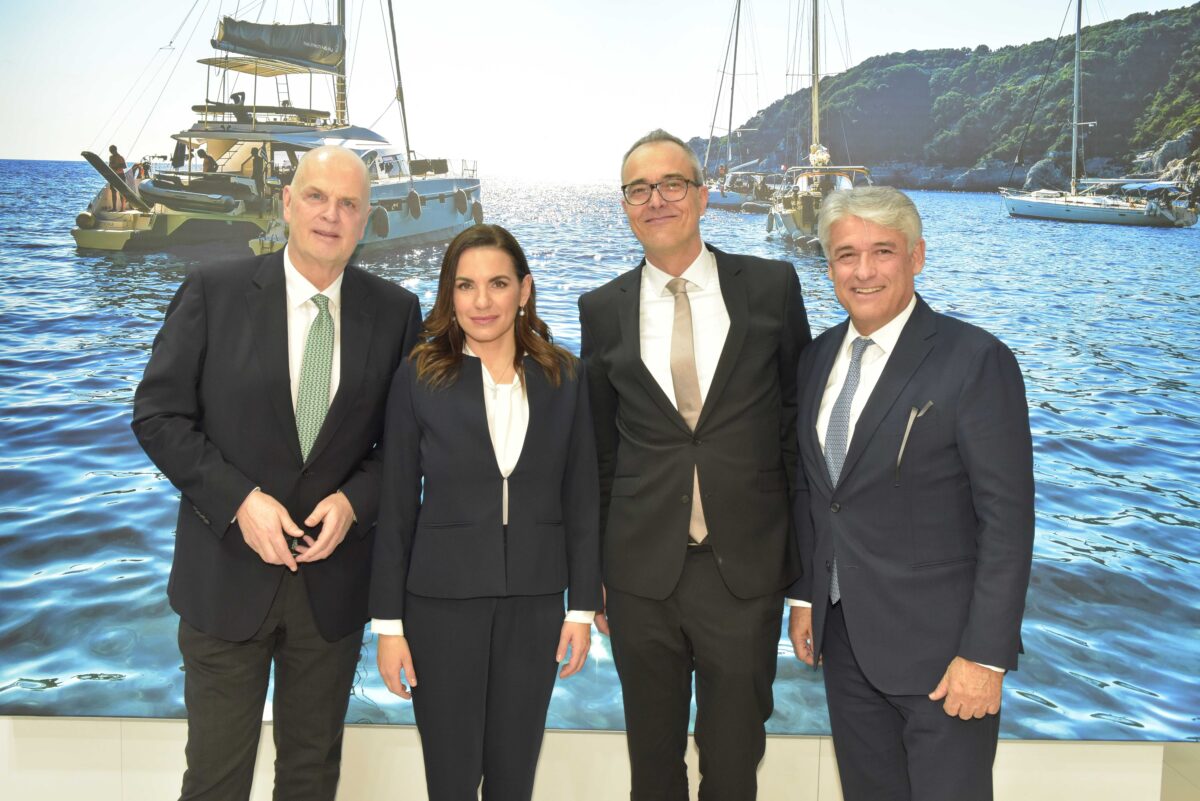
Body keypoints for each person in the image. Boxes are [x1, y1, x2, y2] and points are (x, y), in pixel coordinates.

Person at [131, 145, 422, 801]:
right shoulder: (214, 291)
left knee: (311, 779)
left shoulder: (397, 311)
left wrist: (354, 501)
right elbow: (158, 416)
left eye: (348, 203)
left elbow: (407, 446)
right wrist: (240, 501)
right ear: (287, 203)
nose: (330, 214)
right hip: (224, 583)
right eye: (316, 196)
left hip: (332, 592)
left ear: (366, 218)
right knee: (214, 781)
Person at [578, 129, 812, 799]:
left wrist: (800, 575)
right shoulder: (602, 308)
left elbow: (796, 432)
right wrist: (593, 576)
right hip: (639, 575)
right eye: (639, 190)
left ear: (703, 196)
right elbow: (600, 451)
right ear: (625, 205)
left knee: (733, 762)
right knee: (653, 765)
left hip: (743, 572)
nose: (656, 200)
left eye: (672, 184)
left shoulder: (770, 286)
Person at [788, 186, 1035, 801]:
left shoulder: (975, 359)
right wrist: (806, 596)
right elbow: (818, 495)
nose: (863, 271)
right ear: (829, 266)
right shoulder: (816, 358)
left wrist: (985, 656)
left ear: (916, 256)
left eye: (883, 251)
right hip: (845, 643)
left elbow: (1007, 522)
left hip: (945, 657)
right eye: (846, 255)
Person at [371, 223, 602, 800]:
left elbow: (581, 498)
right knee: (450, 782)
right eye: (465, 285)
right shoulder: (419, 375)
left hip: (536, 604)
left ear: (524, 289)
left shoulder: (564, 376)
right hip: (439, 607)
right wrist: (388, 627)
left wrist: (581, 609)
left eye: (497, 283)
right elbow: (396, 507)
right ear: (449, 294)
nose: (481, 301)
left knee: (513, 781)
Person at [107, 144, 127, 210]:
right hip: (113, 175)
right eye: (110, 150)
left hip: (120, 175)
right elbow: (109, 166)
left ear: (115, 150)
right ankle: (114, 208)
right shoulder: (110, 157)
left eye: (112, 150)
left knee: (121, 192)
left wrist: (117, 167)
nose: (111, 151)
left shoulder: (120, 157)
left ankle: (122, 208)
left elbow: (124, 166)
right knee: (113, 191)